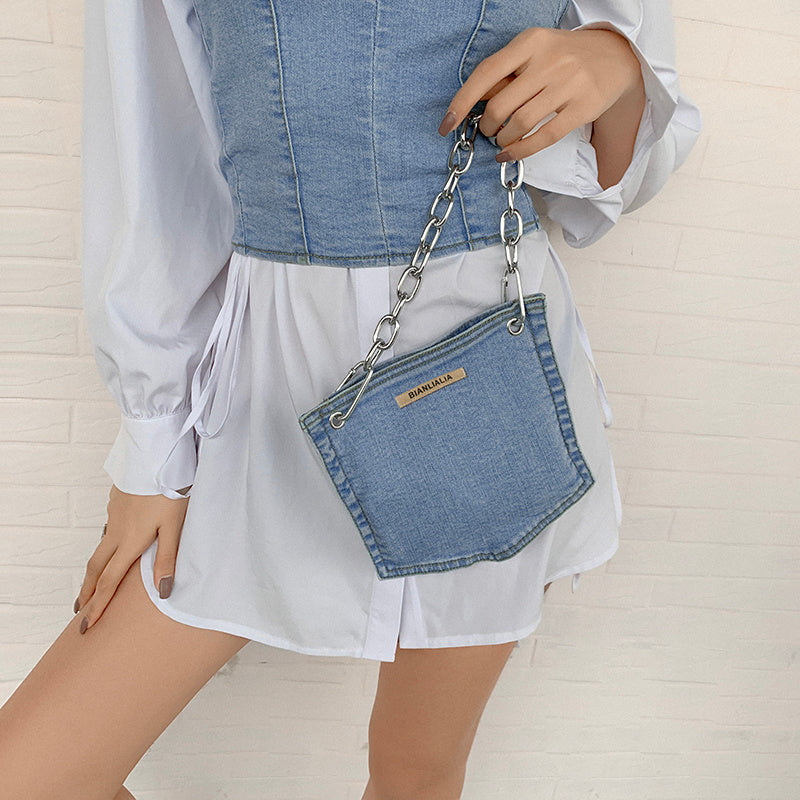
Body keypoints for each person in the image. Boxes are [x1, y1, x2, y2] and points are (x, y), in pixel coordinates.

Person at [0, 1, 701, 798]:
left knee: (415, 773)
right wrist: (153, 443)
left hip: (485, 380)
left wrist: (617, 61)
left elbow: (610, 178)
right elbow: (155, 154)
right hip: (265, 389)